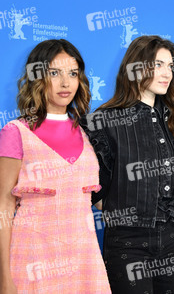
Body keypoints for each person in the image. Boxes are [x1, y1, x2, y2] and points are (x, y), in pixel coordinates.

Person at [81, 35, 174, 294]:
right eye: (158, 65)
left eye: (170, 66)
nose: (167, 73)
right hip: (128, 241)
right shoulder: (103, 121)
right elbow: (90, 187)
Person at [0, 39, 110, 293]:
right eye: (54, 73)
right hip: (33, 261)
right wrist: (4, 277)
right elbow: (3, 207)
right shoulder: (16, 132)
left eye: (72, 73)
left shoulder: (88, 132)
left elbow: (99, 198)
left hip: (84, 262)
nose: (65, 83)